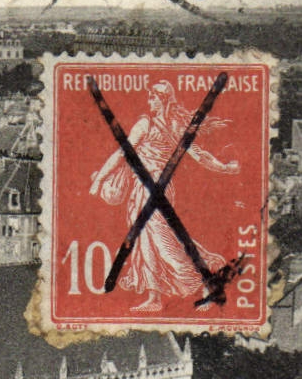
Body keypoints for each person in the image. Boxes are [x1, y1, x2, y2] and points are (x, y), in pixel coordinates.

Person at [88, 81, 240, 312]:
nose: (149, 102)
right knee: (145, 241)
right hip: (141, 189)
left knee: (163, 241)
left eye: (152, 98)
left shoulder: (152, 125)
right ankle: (154, 297)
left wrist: (226, 168)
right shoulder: (167, 125)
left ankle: (207, 277)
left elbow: (196, 154)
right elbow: (200, 156)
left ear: (163, 100)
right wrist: (225, 168)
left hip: (158, 188)